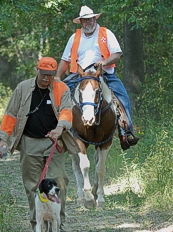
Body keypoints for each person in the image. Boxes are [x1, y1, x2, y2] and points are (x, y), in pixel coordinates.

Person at [0, 57, 79, 232]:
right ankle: (38, 225)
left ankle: (57, 223)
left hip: (54, 143)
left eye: (50, 75)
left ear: (54, 74)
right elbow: (10, 114)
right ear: (37, 70)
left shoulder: (62, 89)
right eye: (43, 73)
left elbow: (66, 110)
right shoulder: (23, 88)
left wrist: (59, 128)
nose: (46, 78)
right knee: (33, 186)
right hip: (29, 143)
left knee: (59, 182)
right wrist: (4, 139)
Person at [56, 5, 139, 151]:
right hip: (78, 76)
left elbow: (117, 54)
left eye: (90, 19)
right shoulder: (74, 37)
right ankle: (59, 135)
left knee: (123, 98)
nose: (88, 23)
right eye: (85, 20)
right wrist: (57, 77)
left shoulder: (106, 33)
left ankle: (125, 132)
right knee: (59, 98)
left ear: (95, 19)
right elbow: (65, 60)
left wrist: (105, 62)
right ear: (81, 22)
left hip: (104, 74)